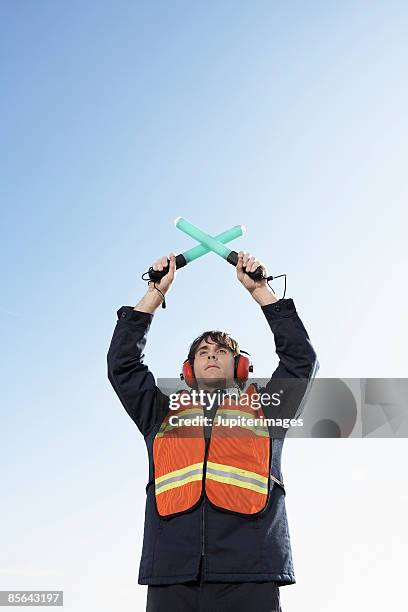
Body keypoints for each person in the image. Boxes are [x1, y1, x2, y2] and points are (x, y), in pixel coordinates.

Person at [107, 250, 319, 612]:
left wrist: (261, 292)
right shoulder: (160, 414)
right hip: (172, 576)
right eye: (203, 351)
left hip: (249, 574)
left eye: (221, 351)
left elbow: (300, 360)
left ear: (240, 365)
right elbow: (123, 366)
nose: (211, 355)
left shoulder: (267, 411)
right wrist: (155, 294)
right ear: (189, 369)